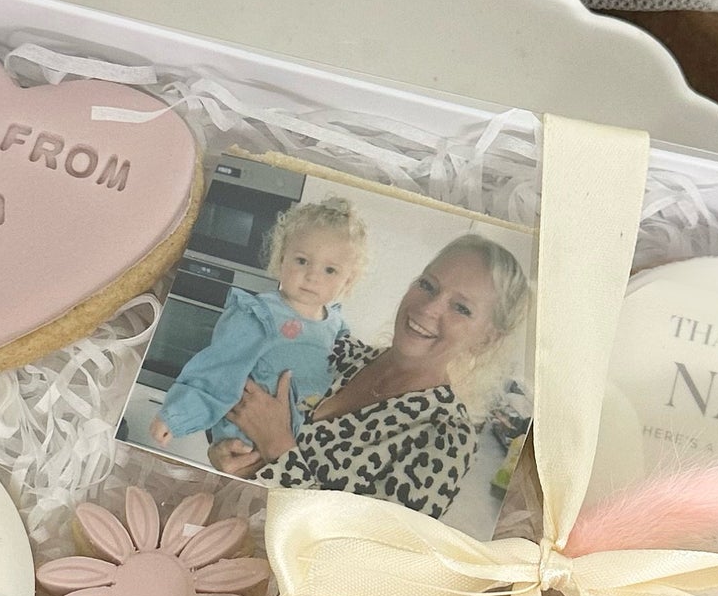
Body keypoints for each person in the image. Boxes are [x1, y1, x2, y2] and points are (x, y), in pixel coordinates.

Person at [208, 232, 531, 521]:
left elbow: (364, 554)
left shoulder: (446, 437)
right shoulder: (338, 352)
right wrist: (226, 452)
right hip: (213, 528)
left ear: (486, 338)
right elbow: (240, 407)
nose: (429, 308)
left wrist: (277, 446)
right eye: (427, 285)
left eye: (461, 308)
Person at [151, 197, 367, 451]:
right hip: (246, 440)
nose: (312, 276)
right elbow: (219, 369)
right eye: (302, 261)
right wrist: (176, 416)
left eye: (330, 270)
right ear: (282, 258)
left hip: (296, 450)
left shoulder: (338, 328)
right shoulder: (259, 314)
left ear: (348, 280)